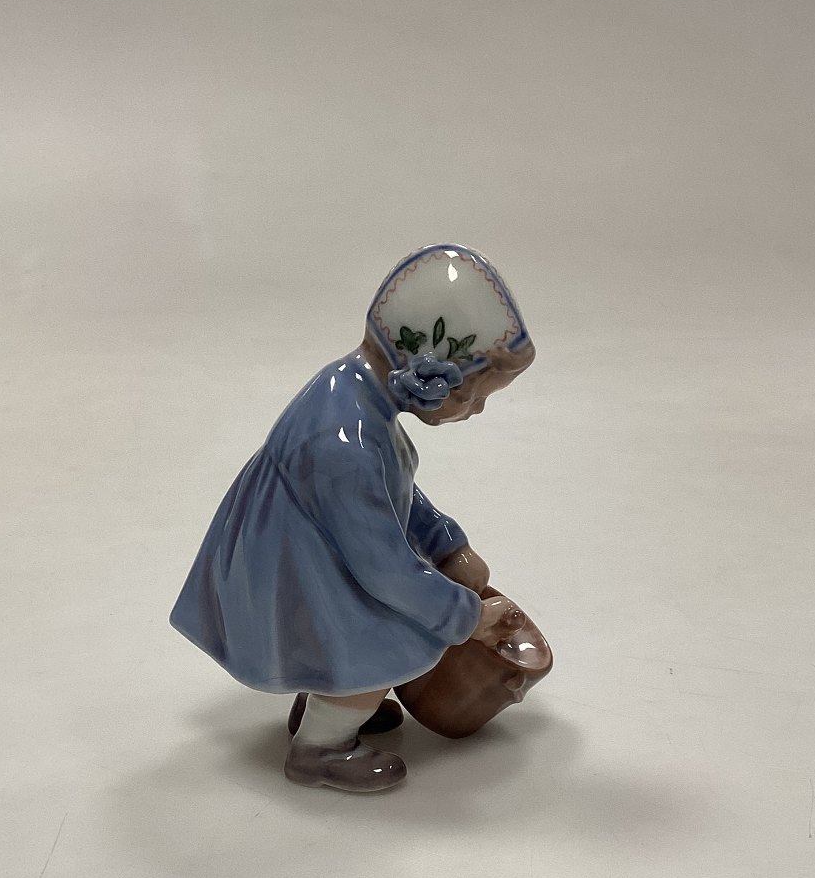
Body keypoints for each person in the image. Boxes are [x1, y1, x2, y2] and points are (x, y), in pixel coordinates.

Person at [171, 244, 540, 792]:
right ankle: (321, 748)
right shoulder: (345, 442)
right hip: (299, 570)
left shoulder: (356, 395)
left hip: (306, 551)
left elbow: (392, 495)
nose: (478, 409)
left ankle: (326, 702)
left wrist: (445, 542)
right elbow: (384, 569)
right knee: (385, 637)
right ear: (432, 376)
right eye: (475, 396)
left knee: (369, 627)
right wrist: (467, 617)